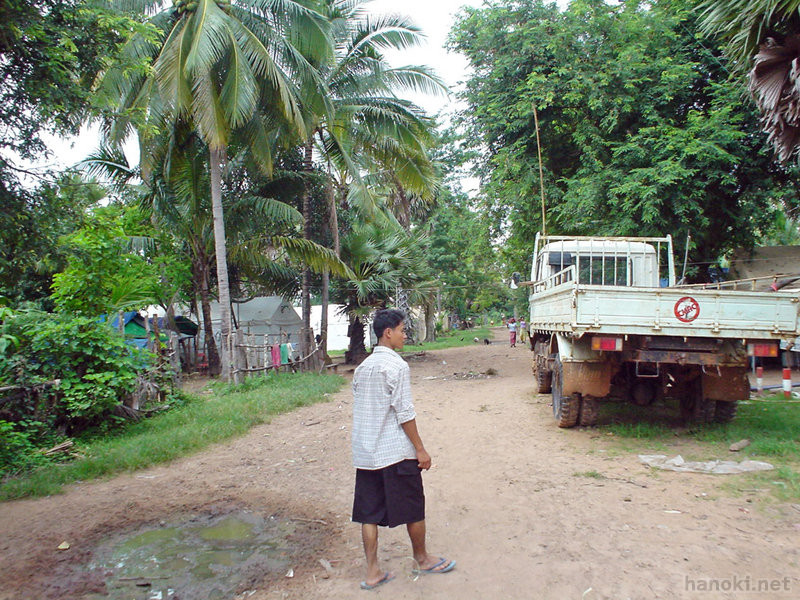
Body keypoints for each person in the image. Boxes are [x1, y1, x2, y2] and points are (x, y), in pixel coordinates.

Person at [351, 308, 456, 590]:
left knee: (368, 514)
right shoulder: (396, 366)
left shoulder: (363, 368)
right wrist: (420, 449)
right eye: (402, 330)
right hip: (395, 451)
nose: (405, 335)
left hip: (366, 453)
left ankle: (372, 572)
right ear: (389, 333)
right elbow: (404, 412)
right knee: (413, 507)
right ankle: (421, 559)